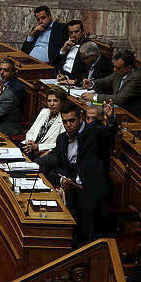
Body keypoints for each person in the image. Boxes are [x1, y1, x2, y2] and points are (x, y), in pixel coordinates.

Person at [39, 104, 117, 244]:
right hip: (72, 190)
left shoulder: (94, 132)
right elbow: (61, 166)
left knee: (87, 233)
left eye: (72, 121)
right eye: (65, 122)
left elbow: (109, 132)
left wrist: (111, 118)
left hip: (93, 191)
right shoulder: (62, 139)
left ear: (80, 118)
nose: (68, 125)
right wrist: (63, 180)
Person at [80, 50, 141, 116]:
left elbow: (120, 98)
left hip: (130, 113)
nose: (114, 69)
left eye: (118, 68)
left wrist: (94, 97)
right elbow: (105, 81)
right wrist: (92, 83)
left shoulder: (137, 77)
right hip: (117, 108)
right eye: (114, 66)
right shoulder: (120, 72)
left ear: (128, 68)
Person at [22, 86, 68, 158]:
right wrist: (30, 142)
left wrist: (37, 146)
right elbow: (30, 132)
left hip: (42, 152)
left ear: (62, 103)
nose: (51, 104)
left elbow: (60, 144)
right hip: (29, 147)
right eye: (49, 101)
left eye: (55, 101)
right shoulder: (44, 112)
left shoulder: (64, 119)